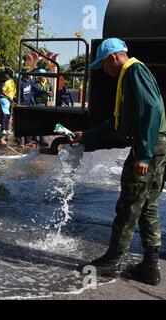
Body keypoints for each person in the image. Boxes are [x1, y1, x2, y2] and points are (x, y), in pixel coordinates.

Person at [72, 38, 166, 286]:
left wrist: (144, 153)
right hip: (155, 147)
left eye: (103, 64)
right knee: (147, 206)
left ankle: (112, 262)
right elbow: (118, 125)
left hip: (149, 149)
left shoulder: (134, 71)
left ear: (113, 57)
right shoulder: (132, 73)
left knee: (129, 205)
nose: (104, 71)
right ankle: (149, 267)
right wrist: (87, 136)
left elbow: (153, 109)